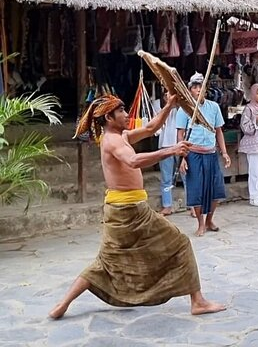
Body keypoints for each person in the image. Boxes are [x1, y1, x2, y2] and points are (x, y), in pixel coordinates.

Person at [49, 94, 225, 320]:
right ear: (109, 117)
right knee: (180, 244)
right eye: (121, 112)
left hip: (129, 208)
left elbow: (151, 127)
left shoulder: (121, 135)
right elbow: (133, 161)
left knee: (105, 262)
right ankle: (198, 301)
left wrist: (169, 105)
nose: (126, 115)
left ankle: (62, 304)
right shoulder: (111, 141)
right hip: (127, 211)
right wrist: (171, 150)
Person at [177, 72, 231, 237]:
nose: (198, 90)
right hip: (193, 154)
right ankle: (200, 223)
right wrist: (182, 158)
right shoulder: (185, 109)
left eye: (201, 86)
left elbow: (218, 131)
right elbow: (180, 135)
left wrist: (225, 152)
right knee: (196, 190)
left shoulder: (213, 107)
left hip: (211, 153)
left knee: (216, 189)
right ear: (190, 90)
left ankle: (209, 220)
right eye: (195, 87)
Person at [156, 91, 181, 215]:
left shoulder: (182, 109)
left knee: (186, 175)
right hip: (165, 146)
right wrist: (168, 106)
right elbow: (155, 125)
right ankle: (167, 205)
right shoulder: (159, 107)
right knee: (166, 178)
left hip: (179, 145)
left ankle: (193, 206)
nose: (168, 96)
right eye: (166, 94)